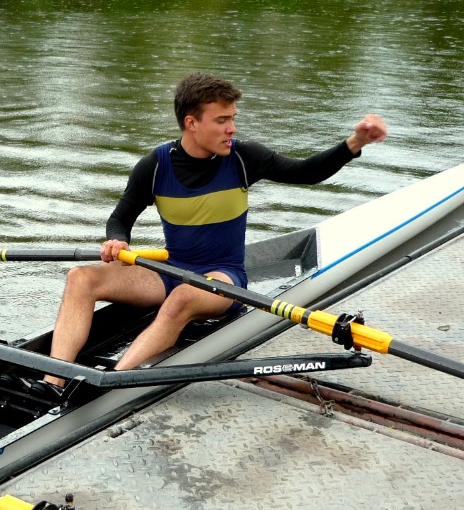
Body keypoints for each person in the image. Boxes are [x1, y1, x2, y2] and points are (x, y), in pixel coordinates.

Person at [37, 73, 388, 397]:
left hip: (224, 278)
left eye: (232, 118)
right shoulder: (155, 166)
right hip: (172, 270)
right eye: (222, 120)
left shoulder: (244, 158)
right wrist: (118, 240)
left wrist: (355, 142)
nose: (231, 128)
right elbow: (120, 218)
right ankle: (52, 383)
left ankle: (111, 384)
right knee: (81, 277)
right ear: (192, 123)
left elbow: (307, 173)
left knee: (181, 299)